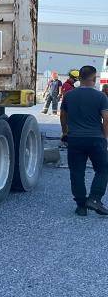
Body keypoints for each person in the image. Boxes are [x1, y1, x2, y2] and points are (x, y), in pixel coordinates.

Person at [60, 65, 108, 216]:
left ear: (79, 78)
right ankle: (94, 199)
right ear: (94, 79)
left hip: (75, 139)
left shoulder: (69, 95)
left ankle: (81, 206)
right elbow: (106, 119)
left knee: (77, 172)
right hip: (96, 139)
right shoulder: (101, 97)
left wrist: (65, 131)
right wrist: (105, 137)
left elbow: (62, 115)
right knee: (102, 169)